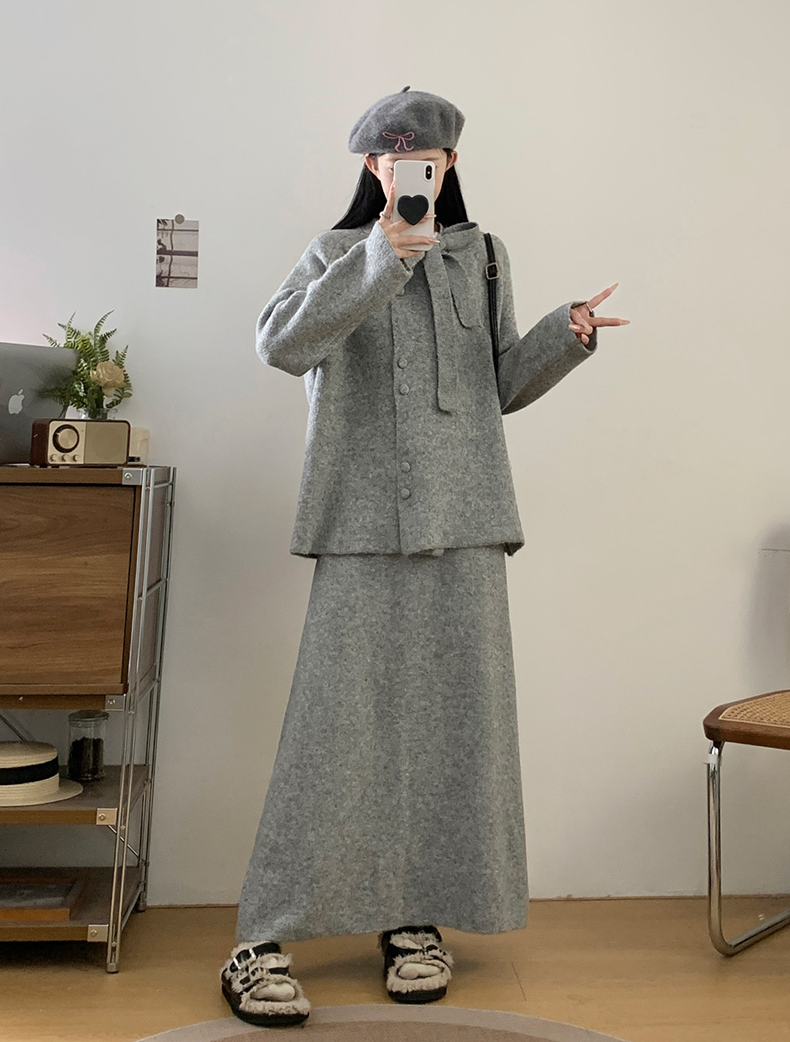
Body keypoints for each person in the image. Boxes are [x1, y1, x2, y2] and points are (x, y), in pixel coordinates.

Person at [220, 87, 630, 1029]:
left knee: (456, 733)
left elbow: (498, 386)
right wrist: (381, 258)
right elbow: (280, 345)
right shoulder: (334, 254)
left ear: (448, 165)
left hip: (468, 522)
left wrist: (564, 337)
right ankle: (261, 936)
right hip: (360, 525)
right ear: (373, 167)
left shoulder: (484, 256)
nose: (410, 169)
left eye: (427, 158)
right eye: (392, 157)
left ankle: (414, 920)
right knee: (332, 734)